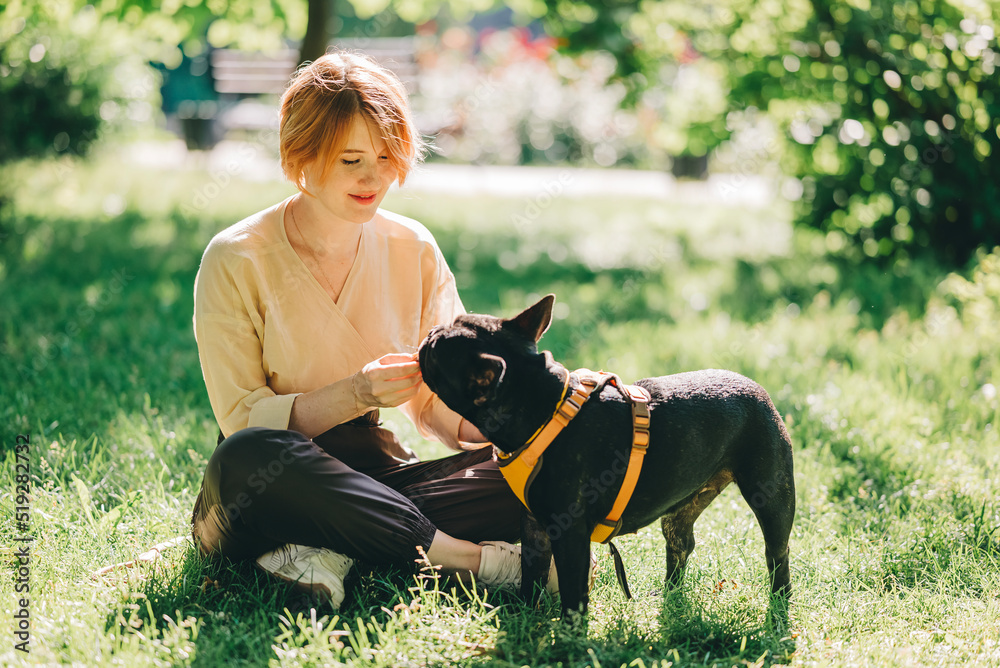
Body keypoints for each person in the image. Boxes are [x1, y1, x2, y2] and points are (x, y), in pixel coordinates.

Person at [188, 50, 554, 608]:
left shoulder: (413, 248)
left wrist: (501, 428)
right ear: (302, 157)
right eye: (351, 160)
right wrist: (356, 392)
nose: (374, 177)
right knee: (246, 457)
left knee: (533, 467)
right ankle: (466, 558)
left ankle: (330, 548)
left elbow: (437, 403)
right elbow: (241, 421)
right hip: (273, 480)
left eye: (387, 156)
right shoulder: (237, 257)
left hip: (380, 482)